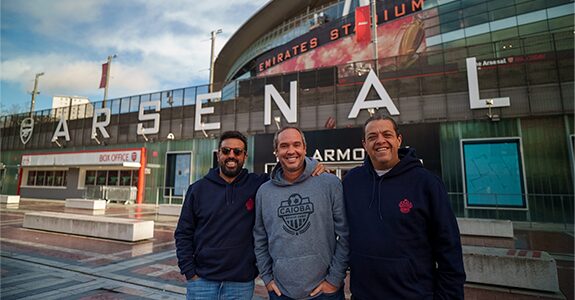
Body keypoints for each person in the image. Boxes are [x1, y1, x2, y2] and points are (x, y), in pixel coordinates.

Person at [175, 130, 324, 300]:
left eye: (237, 152)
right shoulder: (198, 189)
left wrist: (313, 164)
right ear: (218, 155)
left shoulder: (259, 185)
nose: (231, 156)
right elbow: (183, 233)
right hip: (202, 282)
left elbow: (289, 171)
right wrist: (190, 272)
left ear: (245, 156)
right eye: (226, 151)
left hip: (241, 284)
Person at [342, 114, 466, 299]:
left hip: (414, 294)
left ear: (398, 140)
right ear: (364, 144)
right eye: (372, 137)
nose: (380, 141)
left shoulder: (426, 183)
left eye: (387, 134)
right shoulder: (352, 181)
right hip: (363, 294)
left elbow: (449, 248)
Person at [253, 126, 349, 300]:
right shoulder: (264, 192)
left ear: (305, 148)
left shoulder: (330, 183)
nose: (291, 151)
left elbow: (345, 235)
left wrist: (334, 280)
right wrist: (267, 278)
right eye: (284, 146)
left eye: (296, 144)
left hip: (326, 292)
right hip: (281, 293)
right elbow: (260, 238)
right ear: (276, 151)